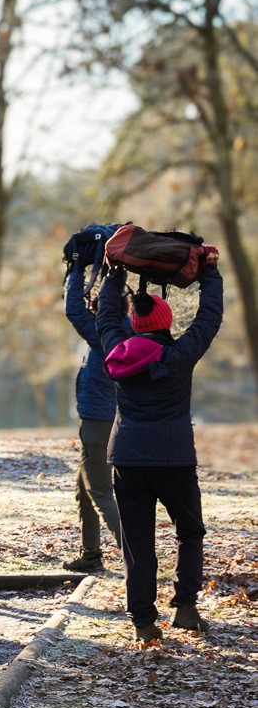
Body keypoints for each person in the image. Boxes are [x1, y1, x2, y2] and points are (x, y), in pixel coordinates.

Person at [96, 261, 224, 643]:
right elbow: (209, 317)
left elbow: (106, 316)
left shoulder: (117, 350)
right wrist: (210, 274)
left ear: (133, 324)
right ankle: (185, 608)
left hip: (129, 458)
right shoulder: (181, 355)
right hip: (174, 458)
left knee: (137, 541)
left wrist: (113, 275)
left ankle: (144, 623)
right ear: (166, 323)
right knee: (190, 531)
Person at [63, 256, 120, 574]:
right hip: (108, 421)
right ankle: (90, 555)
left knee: (99, 491)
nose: (93, 302)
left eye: (100, 300)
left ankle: (134, 557)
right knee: (85, 489)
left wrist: (76, 269)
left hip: (98, 424)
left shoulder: (104, 335)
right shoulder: (124, 332)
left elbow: (73, 310)